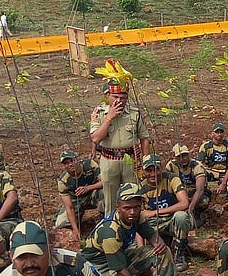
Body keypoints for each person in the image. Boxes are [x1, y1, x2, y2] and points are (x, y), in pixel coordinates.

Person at [81, 183, 176, 276]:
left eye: (137, 207)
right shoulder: (110, 231)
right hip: (97, 267)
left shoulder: (137, 216)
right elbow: (121, 271)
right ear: (117, 207)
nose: (132, 212)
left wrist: (157, 242)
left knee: (162, 251)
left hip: (118, 258)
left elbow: (150, 234)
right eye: (127, 208)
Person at [89, 80, 149, 215]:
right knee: (111, 199)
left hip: (130, 160)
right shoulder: (99, 113)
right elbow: (96, 138)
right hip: (109, 160)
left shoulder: (135, 113)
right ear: (108, 95)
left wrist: (145, 161)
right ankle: (111, 226)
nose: (119, 101)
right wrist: (109, 117)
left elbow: (144, 139)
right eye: (115, 97)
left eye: (123, 97)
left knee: (133, 195)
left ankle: (135, 230)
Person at [139, 154, 194, 265]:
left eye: (156, 169)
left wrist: (155, 212)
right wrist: (141, 252)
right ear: (143, 171)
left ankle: (179, 253)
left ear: (161, 168)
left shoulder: (171, 178)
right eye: (148, 171)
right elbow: (140, 218)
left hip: (171, 220)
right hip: (154, 224)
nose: (153, 174)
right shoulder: (140, 187)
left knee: (182, 217)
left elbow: (184, 203)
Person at [53, 150, 102, 236]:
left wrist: (88, 188)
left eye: (72, 161)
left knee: (104, 194)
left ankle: (105, 218)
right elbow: (69, 207)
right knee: (60, 224)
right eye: (66, 163)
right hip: (77, 201)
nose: (70, 164)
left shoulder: (90, 164)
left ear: (77, 159)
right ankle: (78, 224)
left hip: (93, 193)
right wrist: (76, 230)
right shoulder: (63, 181)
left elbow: (104, 182)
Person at [166, 144, 209, 223]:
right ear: (175, 157)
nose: (183, 159)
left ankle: (197, 213)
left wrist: (191, 207)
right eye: (179, 156)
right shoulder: (171, 166)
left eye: (185, 155)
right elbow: (166, 184)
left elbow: (200, 189)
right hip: (179, 192)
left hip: (194, 192)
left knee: (204, 201)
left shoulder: (197, 166)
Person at [197, 122, 228, 196]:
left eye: (221, 132)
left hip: (225, 173)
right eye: (217, 132)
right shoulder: (206, 146)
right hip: (211, 172)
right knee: (200, 181)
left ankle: (223, 188)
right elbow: (199, 164)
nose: (219, 134)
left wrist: (224, 182)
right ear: (212, 134)